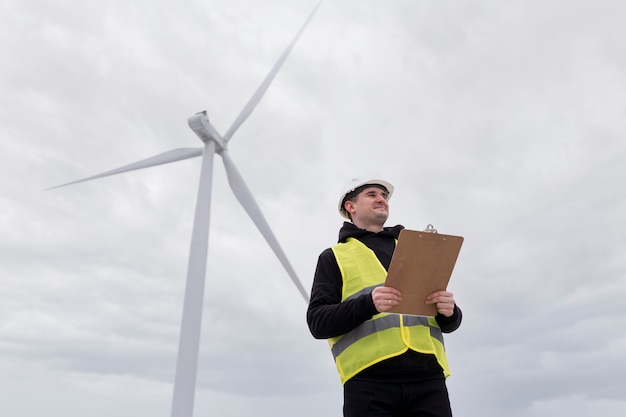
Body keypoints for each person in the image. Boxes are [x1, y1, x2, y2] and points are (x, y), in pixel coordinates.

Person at [307, 178, 462, 417]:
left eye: (384, 195)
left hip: (428, 380)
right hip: (368, 384)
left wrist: (450, 312)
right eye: (372, 194)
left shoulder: (416, 249)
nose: (382, 199)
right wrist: (368, 304)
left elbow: (446, 319)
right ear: (351, 206)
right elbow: (318, 322)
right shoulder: (334, 257)